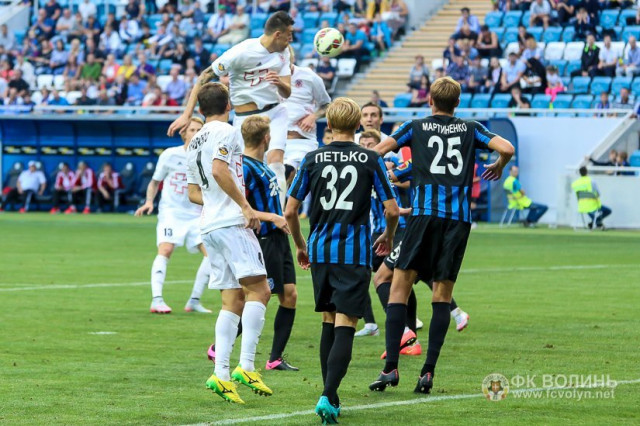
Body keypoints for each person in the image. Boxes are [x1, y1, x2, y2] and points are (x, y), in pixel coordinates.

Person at [369, 76, 514, 395]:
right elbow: (507, 148)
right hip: (456, 222)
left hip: (423, 217)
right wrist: (500, 164)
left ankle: (391, 367)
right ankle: (428, 373)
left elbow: (377, 152)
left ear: (430, 101)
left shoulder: (415, 127)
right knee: (442, 296)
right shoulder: (471, 128)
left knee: (398, 288)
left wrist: (382, 184)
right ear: (457, 103)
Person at [285, 97, 400, 423]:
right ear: (358, 124)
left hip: (320, 250)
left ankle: (331, 396)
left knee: (328, 319)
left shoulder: (312, 158)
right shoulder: (370, 158)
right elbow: (392, 210)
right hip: (353, 252)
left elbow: (290, 211)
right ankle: (327, 394)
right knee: (346, 323)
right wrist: (388, 236)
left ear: (330, 125)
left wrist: (301, 245)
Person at [186, 82, 272, 404]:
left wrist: (215, 203)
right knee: (260, 291)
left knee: (232, 300)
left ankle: (221, 374)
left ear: (200, 109)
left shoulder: (193, 141)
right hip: (230, 223)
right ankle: (246, 366)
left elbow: (193, 192)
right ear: (228, 104)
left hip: (209, 225)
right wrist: (245, 207)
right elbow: (220, 170)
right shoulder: (227, 131)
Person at [169, 11, 294, 210]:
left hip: (275, 112)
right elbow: (204, 76)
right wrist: (186, 114)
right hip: (245, 117)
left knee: (276, 163)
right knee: (243, 169)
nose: (291, 39)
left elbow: (287, 92)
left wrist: (279, 83)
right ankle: (248, 213)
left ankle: (277, 218)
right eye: (289, 34)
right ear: (277, 34)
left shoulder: (284, 53)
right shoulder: (242, 52)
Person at [134, 116, 212, 315]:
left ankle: (194, 301)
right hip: (172, 212)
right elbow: (154, 182)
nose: (196, 134)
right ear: (183, 133)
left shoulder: (207, 157)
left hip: (196, 214)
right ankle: (157, 300)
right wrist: (149, 202)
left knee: (212, 254)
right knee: (166, 249)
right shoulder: (170, 155)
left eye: (200, 130)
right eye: (192, 130)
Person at [240, 116, 299, 371]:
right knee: (260, 297)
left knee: (290, 295)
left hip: (279, 238)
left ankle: (275, 358)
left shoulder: (262, 165)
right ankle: (220, 345)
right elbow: (239, 208)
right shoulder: (244, 168)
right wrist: (272, 217)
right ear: (267, 138)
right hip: (263, 239)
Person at [282, 47, 331, 173]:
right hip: (275, 143)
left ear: (292, 58)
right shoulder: (268, 78)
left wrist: (313, 116)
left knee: (289, 173)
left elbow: (327, 105)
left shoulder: (309, 76)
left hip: (301, 142)